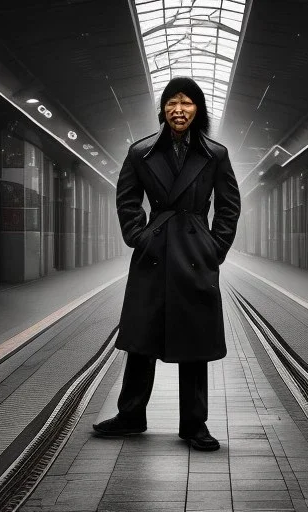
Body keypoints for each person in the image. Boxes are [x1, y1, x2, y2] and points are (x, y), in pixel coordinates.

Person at [93, 76, 241, 451]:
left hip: (195, 254)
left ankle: (194, 425)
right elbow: (127, 200)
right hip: (154, 254)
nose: (179, 109)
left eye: (187, 103)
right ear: (162, 109)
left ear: (197, 110)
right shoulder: (140, 152)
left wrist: (214, 247)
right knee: (142, 337)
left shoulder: (216, 155)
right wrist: (138, 236)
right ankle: (131, 415)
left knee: (195, 340)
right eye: (172, 103)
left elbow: (229, 205)